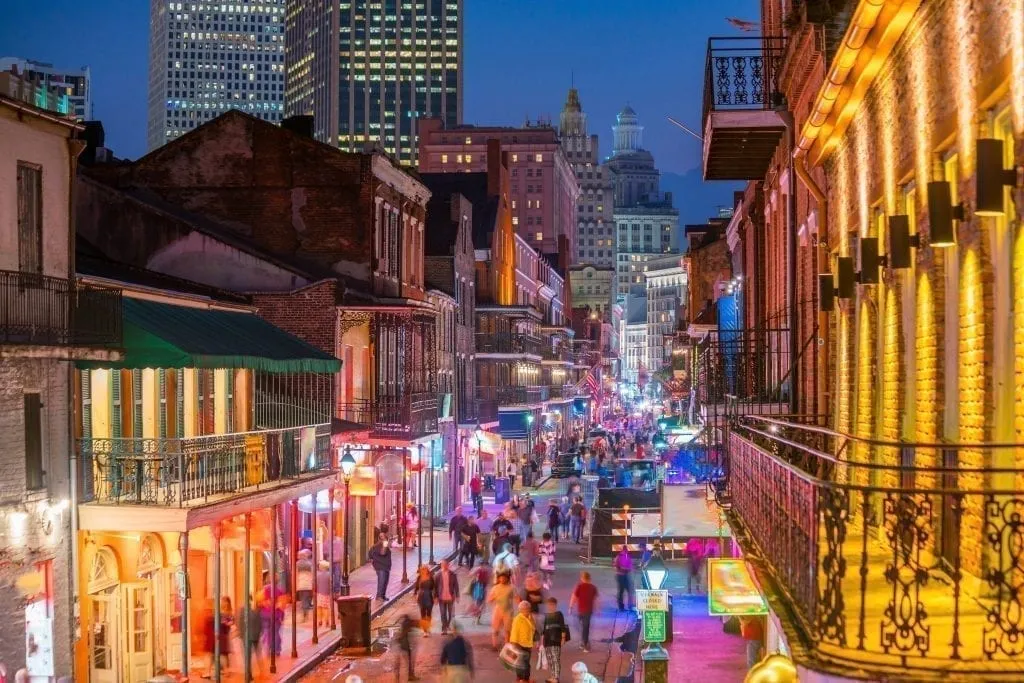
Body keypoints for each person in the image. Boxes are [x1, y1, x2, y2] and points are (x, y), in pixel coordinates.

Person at [541, 597, 569, 683]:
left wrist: (563, 638)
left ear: (555, 605)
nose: (550, 606)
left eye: (552, 604)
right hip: (547, 640)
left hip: (556, 640)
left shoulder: (559, 614)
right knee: (550, 659)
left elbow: (562, 627)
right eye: (549, 604)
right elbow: (543, 630)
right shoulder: (545, 615)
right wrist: (541, 642)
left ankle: (556, 678)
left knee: (555, 659)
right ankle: (553, 676)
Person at [569, 571, 598, 652]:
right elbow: (596, 600)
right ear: (589, 578)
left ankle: (584, 643)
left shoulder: (579, 586)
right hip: (588, 610)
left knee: (582, 627)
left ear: (582, 578)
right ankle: (584, 643)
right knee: (585, 627)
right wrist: (598, 609)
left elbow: (573, 597)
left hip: (580, 611)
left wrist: (570, 607)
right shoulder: (593, 587)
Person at [509, 600, 537, 682]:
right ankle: (520, 679)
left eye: (528, 609)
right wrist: (513, 644)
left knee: (527, 664)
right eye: (524, 609)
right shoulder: (518, 619)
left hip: (528, 644)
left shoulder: (530, 617)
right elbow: (514, 632)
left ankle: (526, 679)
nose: (526, 611)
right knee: (521, 664)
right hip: (519, 644)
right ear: (520, 610)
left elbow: (533, 628)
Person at [488, 572, 516, 649]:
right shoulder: (495, 588)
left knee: (507, 629)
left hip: (508, 611)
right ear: (498, 579)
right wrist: (493, 598)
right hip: (498, 611)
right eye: (501, 577)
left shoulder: (511, 588)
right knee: (495, 629)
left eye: (504, 577)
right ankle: (494, 645)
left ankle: (507, 645)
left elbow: (516, 598)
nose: (502, 579)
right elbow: (489, 599)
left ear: (507, 578)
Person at [436, 559, 460, 634]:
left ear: (448, 565)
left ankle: (448, 625)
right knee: (443, 613)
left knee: (450, 614)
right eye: (443, 564)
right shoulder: (438, 575)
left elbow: (456, 585)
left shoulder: (452, 574)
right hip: (441, 597)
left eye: (446, 564)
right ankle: (444, 628)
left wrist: (457, 595)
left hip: (450, 597)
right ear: (441, 565)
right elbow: (435, 587)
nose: (444, 566)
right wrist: (435, 597)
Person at [413, 564, 438, 636]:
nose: (423, 570)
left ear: (427, 570)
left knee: (429, 613)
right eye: (422, 569)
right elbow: (416, 587)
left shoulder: (431, 578)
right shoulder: (419, 578)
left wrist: (435, 597)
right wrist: (415, 594)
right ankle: (425, 631)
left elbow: (434, 588)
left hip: (429, 596)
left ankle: (428, 627)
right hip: (421, 597)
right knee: (422, 613)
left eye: (425, 569)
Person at [394, 613, 419, 682]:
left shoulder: (405, 624)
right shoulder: (407, 624)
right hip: (406, 646)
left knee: (405, 662)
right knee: (408, 662)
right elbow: (404, 633)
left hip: (404, 646)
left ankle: (406, 676)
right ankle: (410, 676)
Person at [369, 532, 392, 601]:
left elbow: (370, 556)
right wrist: (385, 544)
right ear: (379, 539)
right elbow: (383, 553)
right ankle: (379, 596)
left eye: (384, 537)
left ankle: (382, 595)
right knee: (382, 581)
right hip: (381, 567)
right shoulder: (378, 546)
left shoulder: (377, 546)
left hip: (385, 567)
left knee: (385, 581)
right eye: (382, 537)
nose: (383, 539)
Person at [295, 549, 314, 622]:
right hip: (308, 584)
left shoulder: (297, 564)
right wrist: (313, 584)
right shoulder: (309, 564)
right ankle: (306, 613)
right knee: (307, 599)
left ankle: (305, 615)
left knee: (303, 600)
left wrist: (296, 586)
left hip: (301, 584)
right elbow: (312, 575)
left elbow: (296, 575)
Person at [316, 560, 332, 626]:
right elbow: (331, 584)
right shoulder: (329, 575)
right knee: (326, 607)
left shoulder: (318, 575)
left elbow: (316, 584)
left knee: (319, 607)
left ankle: (320, 620)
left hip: (320, 593)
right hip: (327, 593)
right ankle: (327, 620)